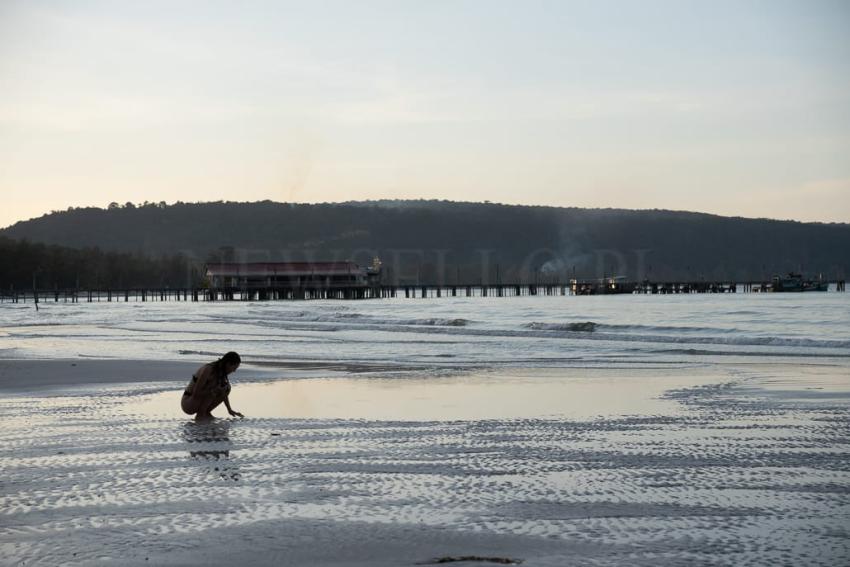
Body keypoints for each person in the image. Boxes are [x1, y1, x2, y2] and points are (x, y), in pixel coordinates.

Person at [181, 351, 244, 421]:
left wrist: (229, 409)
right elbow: (196, 393)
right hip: (188, 403)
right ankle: (201, 415)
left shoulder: (221, 372)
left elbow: (224, 394)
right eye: (234, 368)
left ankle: (205, 412)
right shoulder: (208, 369)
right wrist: (213, 390)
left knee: (226, 388)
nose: (234, 371)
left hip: (198, 401)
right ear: (228, 364)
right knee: (216, 388)